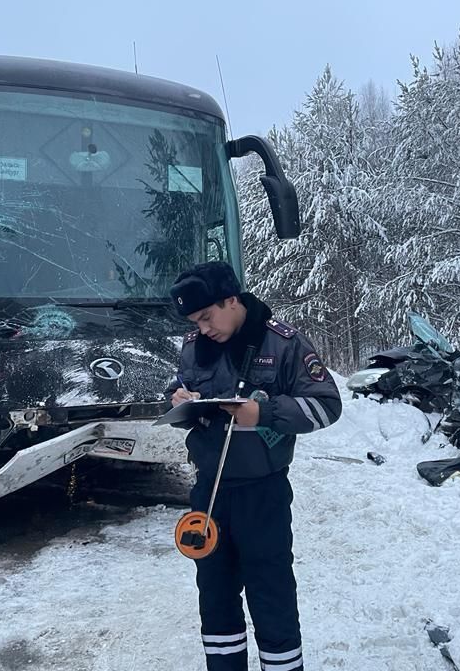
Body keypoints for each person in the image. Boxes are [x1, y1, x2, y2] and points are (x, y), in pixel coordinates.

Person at [165, 261, 342, 671]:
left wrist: (263, 413)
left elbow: (326, 406)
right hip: (208, 492)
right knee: (214, 594)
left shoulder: (284, 344)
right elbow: (179, 384)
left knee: (271, 591)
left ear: (232, 298)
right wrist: (178, 398)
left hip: (263, 493)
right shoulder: (195, 346)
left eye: (207, 316)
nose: (204, 328)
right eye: (195, 321)